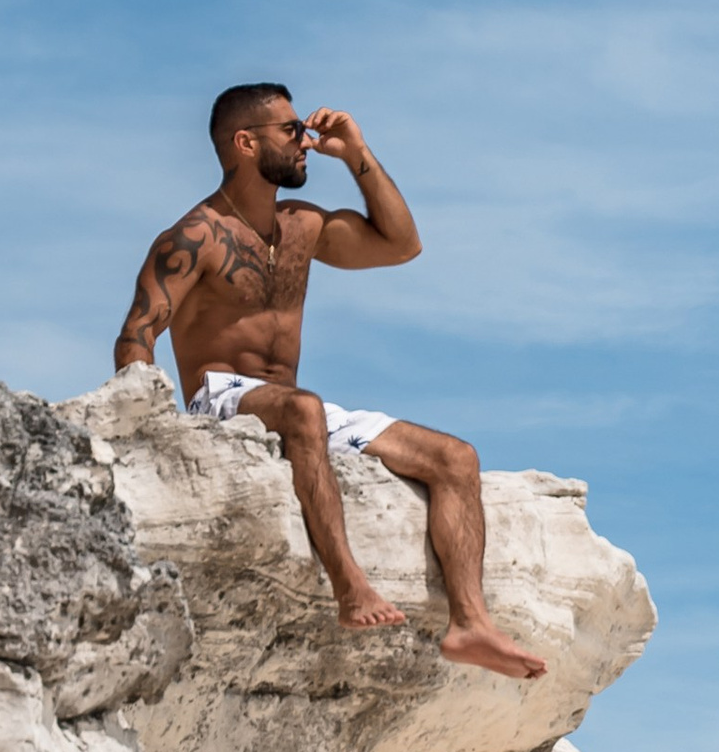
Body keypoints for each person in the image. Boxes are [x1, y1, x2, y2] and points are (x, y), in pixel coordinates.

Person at [113, 81, 547, 679]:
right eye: (289, 131)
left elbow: (401, 245)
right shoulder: (196, 236)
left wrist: (358, 155)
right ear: (245, 143)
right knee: (305, 410)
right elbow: (138, 332)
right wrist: (147, 430)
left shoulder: (301, 227)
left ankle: (470, 623)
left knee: (455, 458)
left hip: (295, 407)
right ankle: (350, 588)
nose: (305, 142)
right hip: (218, 403)